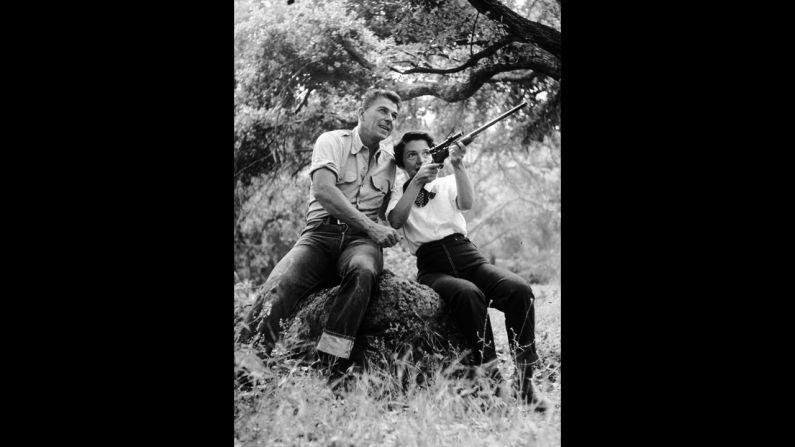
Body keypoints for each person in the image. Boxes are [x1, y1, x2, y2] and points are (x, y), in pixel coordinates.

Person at [237, 89, 403, 372]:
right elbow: (324, 190)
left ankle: (330, 366)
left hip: (360, 243)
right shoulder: (332, 141)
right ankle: (246, 366)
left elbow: (390, 214)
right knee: (279, 285)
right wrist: (372, 228)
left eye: (394, 115)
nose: (390, 118)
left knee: (364, 271)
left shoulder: (390, 164)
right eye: (383, 110)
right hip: (319, 236)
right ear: (361, 113)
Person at [386, 131, 552, 411]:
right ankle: (491, 377)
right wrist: (416, 183)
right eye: (411, 155)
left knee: (519, 290)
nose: (419, 159)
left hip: (467, 255)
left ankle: (525, 381)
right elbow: (395, 220)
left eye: (425, 152)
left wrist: (459, 164)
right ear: (402, 164)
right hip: (432, 266)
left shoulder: (447, 182)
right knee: (467, 293)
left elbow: (467, 204)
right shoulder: (398, 193)